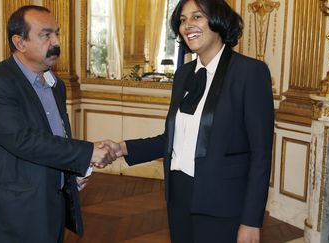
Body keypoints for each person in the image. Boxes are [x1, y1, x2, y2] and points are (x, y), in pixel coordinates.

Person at [102, 0, 274, 242]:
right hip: (179, 196)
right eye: (183, 20)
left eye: (197, 17)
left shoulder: (250, 73)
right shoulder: (183, 74)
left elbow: (261, 154)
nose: (187, 25)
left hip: (223, 202)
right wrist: (122, 148)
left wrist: (251, 220)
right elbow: (172, 140)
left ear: (218, 20)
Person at [0, 5, 116, 243]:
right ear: (20, 42)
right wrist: (88, 152)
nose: (56, 42)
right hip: (14, 210)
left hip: (52, 203)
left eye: (56, 33)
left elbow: (55, 138)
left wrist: (72, 174)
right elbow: (23, 140)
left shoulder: (55, 84)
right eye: (46, 35)